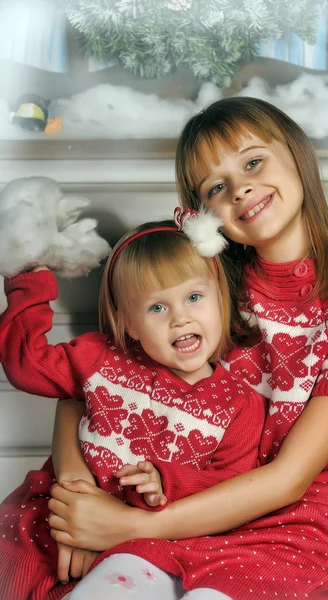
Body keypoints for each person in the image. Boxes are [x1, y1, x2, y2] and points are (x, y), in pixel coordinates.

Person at [0, 210, 266, 600]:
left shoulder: (239, 404)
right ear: (128, 323)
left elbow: (229, 489)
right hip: (54, 522)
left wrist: (168, 483)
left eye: (194, 297)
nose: (180, 318)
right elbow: (26, 364)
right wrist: (28, 273)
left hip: (148, 542)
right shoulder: (101, 358)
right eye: (157, 308)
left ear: (221, 300)